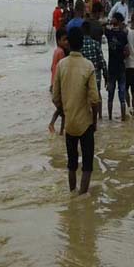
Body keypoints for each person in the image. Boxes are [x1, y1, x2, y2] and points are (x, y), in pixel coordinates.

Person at [52, 27, 100, 194]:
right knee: (87, 166)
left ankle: (73, 194)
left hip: (70, 124)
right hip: (85, 123)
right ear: (82, 43)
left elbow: (55, 96)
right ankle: (82, 198)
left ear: (69, 44)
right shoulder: (88, 66)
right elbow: (95, 99)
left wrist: (63, 110)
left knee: (71, 165)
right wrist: (94, 121)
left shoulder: (61, 65)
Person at [104, 12, 129, 121]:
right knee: (122, 97)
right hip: (121, 68)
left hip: (112, 69)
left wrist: (109, 22)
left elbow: (102, 25)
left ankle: (109, 119)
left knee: (110, 96)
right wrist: (122, 55)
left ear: (115, 21)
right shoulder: (123, 35)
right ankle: (123, 119)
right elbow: (127, 52)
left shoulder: (109, 33)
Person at [82, 20, 107, 120]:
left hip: (83, 77)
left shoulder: (79, 45)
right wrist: (106, 75)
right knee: (97, 96)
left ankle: (87, 118)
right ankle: (99, 116)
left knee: (84, 98)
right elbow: (102, 61)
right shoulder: (96, 44)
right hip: (96, 76)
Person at [49, 28, 69, 134]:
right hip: (58, 85)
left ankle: (56, 127)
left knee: (61, 109)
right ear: (58, 41)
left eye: (67, 39)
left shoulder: (56, 51)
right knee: (64, 111)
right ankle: (60, 130)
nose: (67, 42)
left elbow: (52, 68)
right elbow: (62, 70)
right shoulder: (61, 52)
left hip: (54, 84)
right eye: (64, 40)